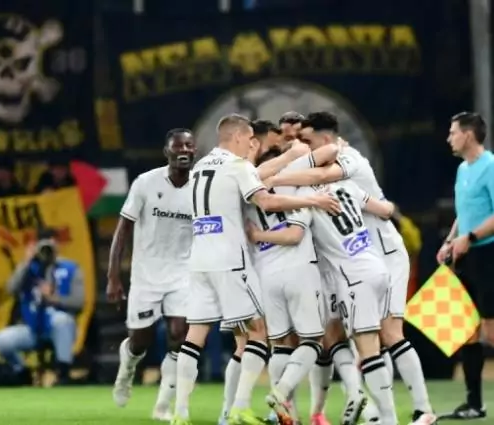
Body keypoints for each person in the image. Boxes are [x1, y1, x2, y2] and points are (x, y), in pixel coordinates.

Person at [172, 114, 341, 425]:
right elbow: (266, 201)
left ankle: (180, 413)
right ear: (238, 137)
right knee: (258, 334)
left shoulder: (199, 167)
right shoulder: (237, 166)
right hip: (231, 261)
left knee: (194, 337)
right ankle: (238, 408)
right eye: (249, 139)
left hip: (199, 260)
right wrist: (315, 200)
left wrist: (286, 159)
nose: (251, 145)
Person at [269, 112, 435, 424]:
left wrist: (275, 179)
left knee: (385, 334)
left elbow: (310, 190)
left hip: (380, 255)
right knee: (359, 338)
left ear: (326, 140)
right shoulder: (341, 185)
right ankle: (374, 411)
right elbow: (386, 208)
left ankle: (417, 411)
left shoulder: (346, 160)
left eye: (306, 140)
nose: (302, 146)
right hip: (365, 259)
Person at [108, 129, 195, 420]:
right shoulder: (146, 183)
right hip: (146, 275)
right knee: (139, 342)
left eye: (189, 145)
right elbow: (123, 230)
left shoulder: (201, 187)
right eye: (178, 146)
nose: (184, 150)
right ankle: (127, 370)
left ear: (195, 151)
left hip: (183, 273)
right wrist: (113, 276)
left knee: (180, 336)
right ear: (167, 152)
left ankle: (162, 406)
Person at [243, 139, 326, 425]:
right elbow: (294, 235)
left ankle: (285, 415)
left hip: (266, 275)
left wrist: (258, 237)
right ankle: (280, 393)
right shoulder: (298, 189)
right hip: (298, 271)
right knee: (313, 341)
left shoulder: (248, 196)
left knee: (279, 344)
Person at [436, 111, 493, 420]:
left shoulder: (491, 166)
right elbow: (464, 211)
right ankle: (474, 404)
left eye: (453, 132)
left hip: (488, 255)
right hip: (465, 258)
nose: (449, 138)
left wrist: (470, 237)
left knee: (491, 331)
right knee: (466, 330)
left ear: (468, 135)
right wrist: (450, 240)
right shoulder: (462, 169)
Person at [0, 229, 84, 385]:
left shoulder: (70, 268)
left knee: (62, 320)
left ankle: (63, 373)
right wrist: (26, 262)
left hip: (59, 328)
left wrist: (54, 298)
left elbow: (78, 302)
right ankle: (22, 373)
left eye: (52, 243)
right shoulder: (29, 268)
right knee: (2, 339)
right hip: (32, 328)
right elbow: (10, 289)